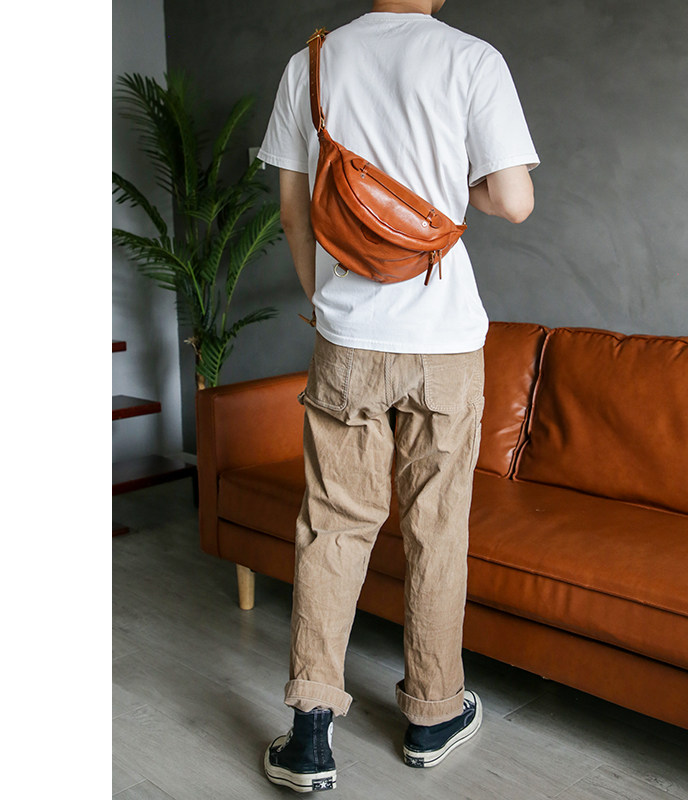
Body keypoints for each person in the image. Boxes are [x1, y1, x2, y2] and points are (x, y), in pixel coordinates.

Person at [256, 0, 539, 792]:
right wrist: (463, 190)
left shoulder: (311, 62)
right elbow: (514, 199)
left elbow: (293, 210)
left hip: (349, 339)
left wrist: (325, 306)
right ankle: (433, 714)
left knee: (333, 524)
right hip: (445, 341)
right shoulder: (471, 59)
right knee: (436, 528)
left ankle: (310, 734)